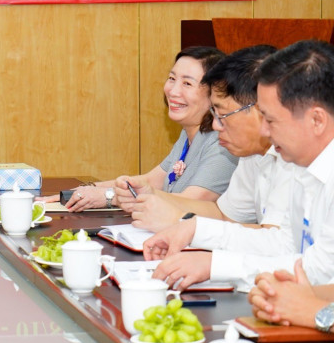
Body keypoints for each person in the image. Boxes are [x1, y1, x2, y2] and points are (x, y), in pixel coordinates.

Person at [143, 40, 334, 291]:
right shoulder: (303, 162)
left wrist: (214, 265)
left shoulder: (300, 163)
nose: (264, 131)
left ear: (317, 120)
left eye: (270, 120)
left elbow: (319, 272)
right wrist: (196, 230)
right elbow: (284, 244)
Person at [123, 45, 297, 232]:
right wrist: (154, 196)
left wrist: (184, 224)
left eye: (223, 114)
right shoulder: (252, 155)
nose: (215, 125)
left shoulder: (295, 157)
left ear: (260, 110)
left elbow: (274, 237)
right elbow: (223, 215)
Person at [55, 47, 237, 211]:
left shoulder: (223, 143)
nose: (173, 91)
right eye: (172, 79)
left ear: (216, 93)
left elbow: (190, 203)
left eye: (187, 83)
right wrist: (83, 190)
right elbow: (151, 181)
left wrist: (110, 197)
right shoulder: (189, 133)